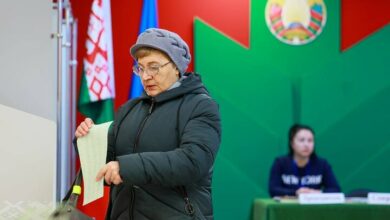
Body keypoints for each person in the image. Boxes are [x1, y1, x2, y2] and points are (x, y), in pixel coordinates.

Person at [75, 28, 221, 220]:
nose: (145, 76)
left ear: (176, 66)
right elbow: (104, 168)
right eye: (140, 68)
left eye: (154, 67)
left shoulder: (201, 106)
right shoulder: (129, 109)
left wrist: (126, 168)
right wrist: (86, 140)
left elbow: (192, 162)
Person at [268, 124, 340, 197]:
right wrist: (296, 193)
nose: (306, 145)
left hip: (313, 206)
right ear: (292, 143)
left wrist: (316, 193)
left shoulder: (322, 164)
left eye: (310, 140)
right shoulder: (280, 163)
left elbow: (336, 189)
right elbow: (273, 190)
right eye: (301, 140)